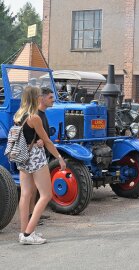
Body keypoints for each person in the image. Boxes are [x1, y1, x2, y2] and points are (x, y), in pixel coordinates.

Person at [15, 86, 66, 245]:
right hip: (35, 157)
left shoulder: (18, 115)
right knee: (46, 195)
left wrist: (39, 140)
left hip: (22, 156)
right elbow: (48, 141)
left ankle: (24, 233)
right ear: (35, 98)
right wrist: (59, 158)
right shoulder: (34, 117)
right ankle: (29, 232)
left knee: (25, 194)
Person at [28, 87, 54, 225]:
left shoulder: (43, 114)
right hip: (36, 156)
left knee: (37, 188)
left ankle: (35, 213)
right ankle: (31, 216)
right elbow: (30, 135)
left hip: (43, 154)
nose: (53, 100)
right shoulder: (36, 115)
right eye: (50, 97)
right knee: (32, 188)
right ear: (42, 98)